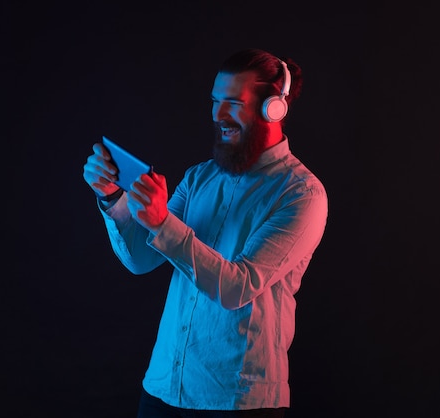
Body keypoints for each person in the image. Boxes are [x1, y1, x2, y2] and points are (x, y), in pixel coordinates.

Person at [82, 48, 329, 417]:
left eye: (234, 103)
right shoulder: (199, 178)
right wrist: (113, 198)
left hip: (237, 402)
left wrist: (162, 223)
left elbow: (237, 287)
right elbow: (141, 259)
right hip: (164, 387)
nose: (218, 115)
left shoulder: (302, 195)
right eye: (216, 101)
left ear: (272, 108)